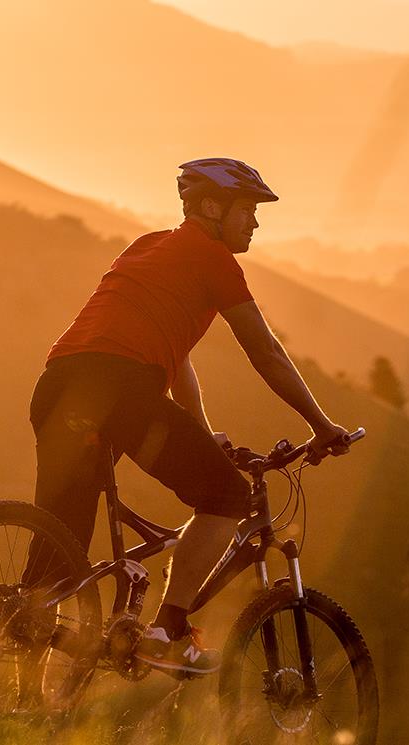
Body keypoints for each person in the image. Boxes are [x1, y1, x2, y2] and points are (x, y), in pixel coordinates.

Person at [28, 158, 351, 676]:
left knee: (58, 551)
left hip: (59, 387)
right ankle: (166, 631)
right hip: (121, 389)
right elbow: (266, 352)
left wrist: (200, 432)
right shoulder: (214, 260)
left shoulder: (149, 247)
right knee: (225, 496)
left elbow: (173, 359)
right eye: (247, 210)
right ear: (210, 207)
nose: (255, 222)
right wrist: (321, 424)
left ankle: (22, 685)